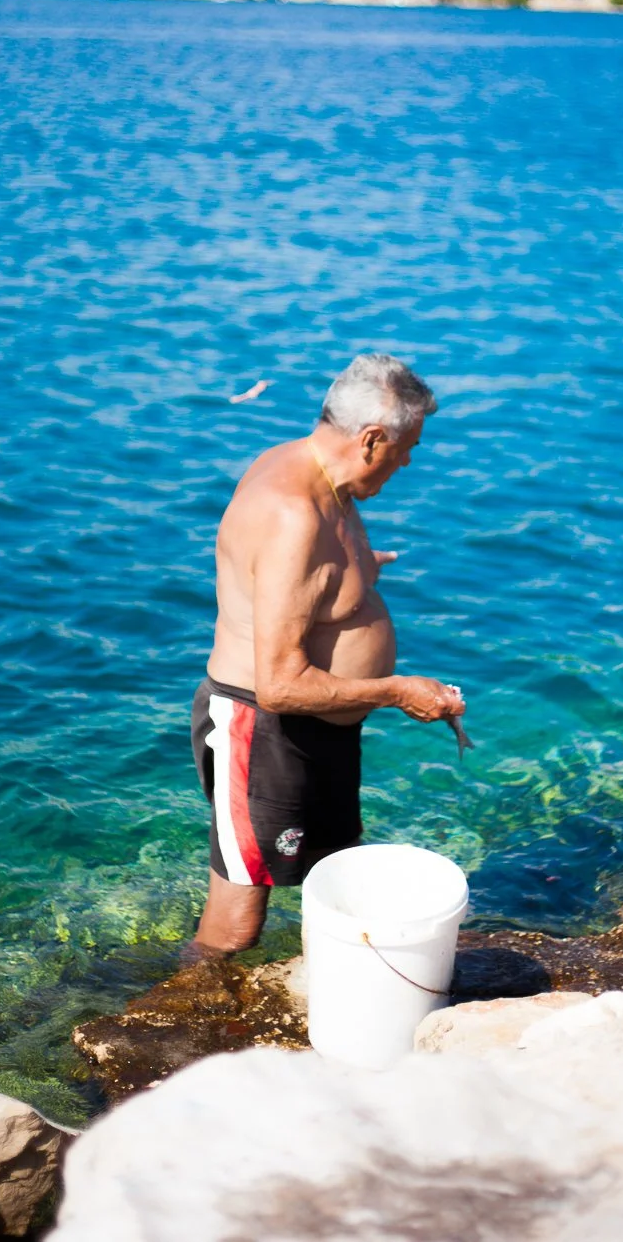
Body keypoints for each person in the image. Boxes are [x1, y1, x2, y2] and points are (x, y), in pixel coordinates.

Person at [189, 353, 465, 953]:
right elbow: (279, 685)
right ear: (371, 439)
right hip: (262, 729)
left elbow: (304, 583)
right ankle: (181, 1032)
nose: (408, 461)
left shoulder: (321, 479)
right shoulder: (294, 511)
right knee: (236, 922)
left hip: (321, 729)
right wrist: (397, 690)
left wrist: (361, 572)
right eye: (406, 447)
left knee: (333, 883)